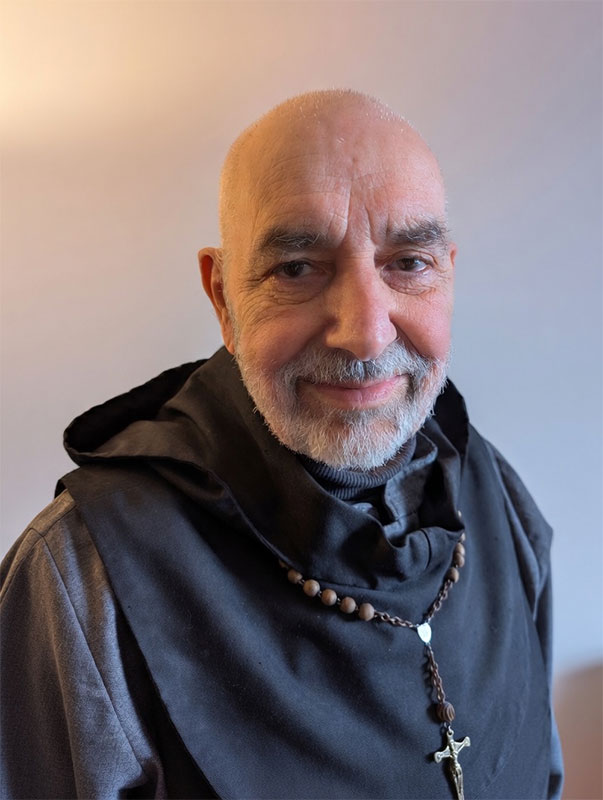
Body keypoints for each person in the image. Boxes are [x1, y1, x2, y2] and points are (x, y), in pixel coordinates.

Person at [1, 90, 563, 800]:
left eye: (408, 261)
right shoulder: (83, 578)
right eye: (297, 268)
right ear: (222, 297)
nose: (365, 334)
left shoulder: (497, 497)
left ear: (447, 271)